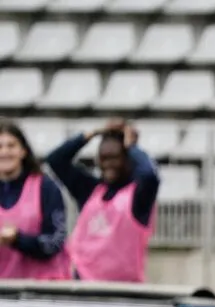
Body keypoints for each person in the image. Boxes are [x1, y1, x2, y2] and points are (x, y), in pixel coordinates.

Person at [46, 118, 160, 283]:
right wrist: (93, 133)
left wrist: (132, 146)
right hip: (84, 284)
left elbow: (150, 175)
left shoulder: (138, 196)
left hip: (126, 289)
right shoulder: (91, 190)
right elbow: (55, 161)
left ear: (128, 158)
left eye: (115, 157)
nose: (107, 164)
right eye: (103, 158)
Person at [0, 120, 69, 281]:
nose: (5, 152)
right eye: (0, 146)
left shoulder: (46, 187)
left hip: (43, 290)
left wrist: (18, 239)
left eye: (11, 146)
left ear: (23, 151)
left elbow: (56, 241)